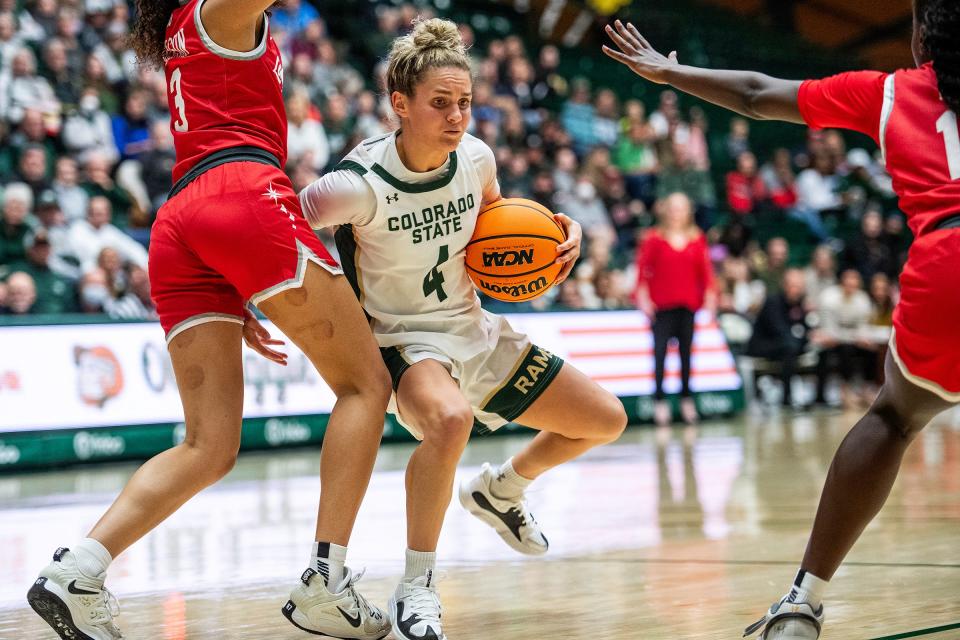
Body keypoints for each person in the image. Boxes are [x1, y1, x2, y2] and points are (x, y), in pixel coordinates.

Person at [26, 2, 393, 640]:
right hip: (243, 194)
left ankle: (78, 571)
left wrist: (242, 281)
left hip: (183, 221)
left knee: (210, 445)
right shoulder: (216, 10)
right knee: (366, 386)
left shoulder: (182, 25)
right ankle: (325, 585)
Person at [604, 3, 960, 637]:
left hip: (946, 263)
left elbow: (755, 93)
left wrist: (670, 73)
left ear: (920, 35)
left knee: (895, 418)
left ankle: (802, 603)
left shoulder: (890, 93)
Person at [290, 19, 627, 640]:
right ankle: (418, 584)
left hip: (476, 328)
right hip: (403, 342)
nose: (457, 116)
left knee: (605, 419)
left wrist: (556, 236)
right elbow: (276, 223)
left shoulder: (476, 158)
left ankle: (502, 490)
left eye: (464, 103)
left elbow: (498, 228)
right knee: (449, 421)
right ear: (401, 105)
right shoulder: (355, 186)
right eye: (440, 104)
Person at [636, 192, 716, 426]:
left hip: (688, 305)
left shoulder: (697, 238)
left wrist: (711, 296)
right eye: (672, 208)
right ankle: (660, 401)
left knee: (686, 355)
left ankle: (686, 400)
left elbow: (706, 272)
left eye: (681, 208)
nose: (676, 213)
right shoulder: (654, 238)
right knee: (660, 354)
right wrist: (643, 298)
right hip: (661, 306)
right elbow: (643, 270)